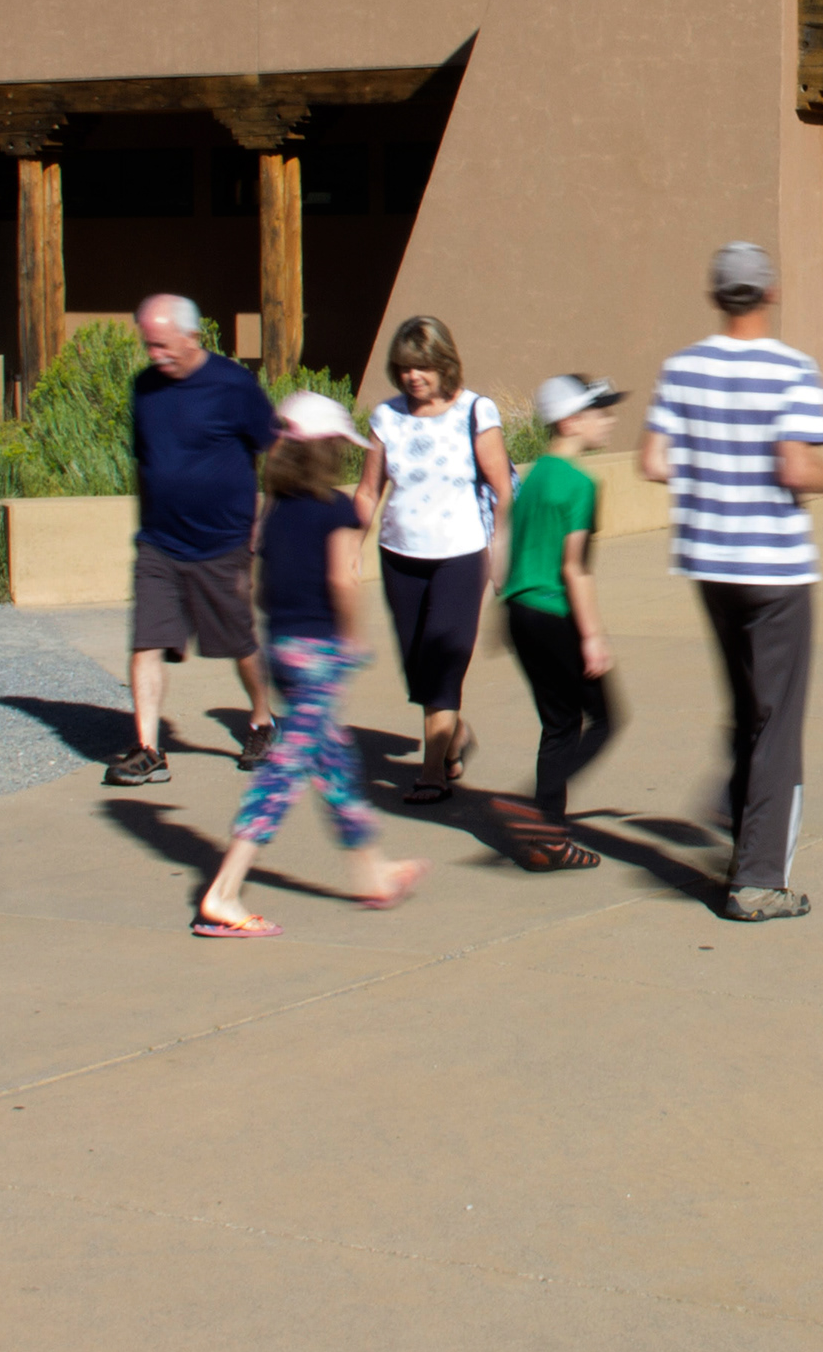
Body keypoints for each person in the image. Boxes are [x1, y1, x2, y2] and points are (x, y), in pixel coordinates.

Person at [643, 242, 823, 921]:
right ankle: (756, 880)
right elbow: (796, 469)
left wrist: (710, 469)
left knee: (748, 705)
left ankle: (738, 806)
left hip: (708, 561)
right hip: (774, 566)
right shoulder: (790, 369)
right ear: (770, 294)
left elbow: (654, 463)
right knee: (776, 720)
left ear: (717, 295)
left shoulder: (682, 368)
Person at [194, 393, 423, 933]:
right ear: (327, 452)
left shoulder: (274, 511)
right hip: (319, 652)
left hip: (283, 648)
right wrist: (352, 638)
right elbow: (343, 578)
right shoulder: (336, 509)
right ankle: (224, 892)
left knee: (335, 765)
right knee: (286, 769)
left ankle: (373, 873)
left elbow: (256, 585)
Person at [110, 292, 279, 787]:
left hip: (222, 541)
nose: (155, 355)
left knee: (237, 640)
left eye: (163, 345)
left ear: (191, 336)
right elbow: (146, 459)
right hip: (160, 543)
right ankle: (147, 749)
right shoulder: (144, 388)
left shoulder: (232, 384)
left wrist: (264, 519)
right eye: (148, 346)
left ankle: (263, 721)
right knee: (147, 641)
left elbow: (275, 450)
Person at [361, 314, 514, 805]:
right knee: (418, 667)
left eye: (423, 367)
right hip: (400, 555)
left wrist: (501, 551)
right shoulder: (386, 417)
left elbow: (502, 489)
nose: (413, 377)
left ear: (444, 364)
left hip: (460, 556)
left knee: (445, 662)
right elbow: (368, 492)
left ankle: (432, 773)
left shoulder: (475, 412)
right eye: (405, 367)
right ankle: (453, 735)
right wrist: (344, 547)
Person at [493, 374, 627, 868]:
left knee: (559, 724)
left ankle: (546, 838)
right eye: (600, 412)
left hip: (519, 614)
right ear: (571, 421)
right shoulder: (579, 483)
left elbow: (509, 545)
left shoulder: (534, 477)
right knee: (606, 720)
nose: (608, 420)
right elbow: (574, 568)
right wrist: (592, 637)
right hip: (553, 615)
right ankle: (538, 810)